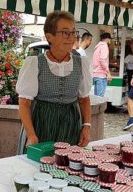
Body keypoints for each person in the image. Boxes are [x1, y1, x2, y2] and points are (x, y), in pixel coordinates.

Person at [16, 11, 92, 154]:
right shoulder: (35, 63)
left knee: (66, 165)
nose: (71, 38)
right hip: (42, 122)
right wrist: (31, 135)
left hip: (70, 123)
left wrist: (86, 126)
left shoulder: (81, 63)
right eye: (65, 32)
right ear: (49, 37)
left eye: (73, 32)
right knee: (38, 165)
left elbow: (84, 99)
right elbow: (24, 103)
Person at [92, 32, 113, 97]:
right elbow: (103, 60)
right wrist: (108, 73)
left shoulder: (98, 46)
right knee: (100, 99)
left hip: (96, 74)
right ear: (107, 39)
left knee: (96, 98)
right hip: (101, 75)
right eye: (110, 39)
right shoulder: (104, 46)